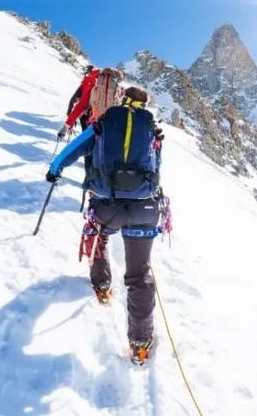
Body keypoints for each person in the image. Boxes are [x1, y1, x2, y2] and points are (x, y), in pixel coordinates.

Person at [45, 86, 166, 365]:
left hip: (107, 205)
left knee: (97, 234)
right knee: (139, 275)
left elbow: (73, 150)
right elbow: (156, 167)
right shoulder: (152, 129)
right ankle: (140, 343)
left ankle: (102, 285)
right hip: (144, 208)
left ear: (123, 100)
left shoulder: (104, 122)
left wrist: (54, 170)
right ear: (145, 104)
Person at [57, 67, 122, 139]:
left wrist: (67, 125)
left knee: (89, 141)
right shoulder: (116, 86)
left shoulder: (91, 82)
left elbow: (78, 104)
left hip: (92, 119)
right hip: (110, 123)